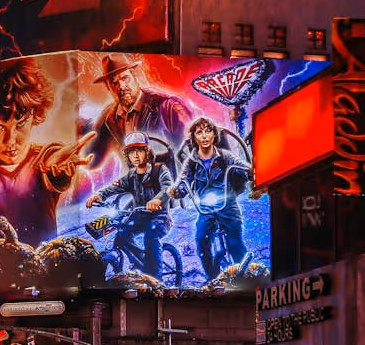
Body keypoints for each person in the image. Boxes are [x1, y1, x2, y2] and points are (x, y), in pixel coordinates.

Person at [0, 58, 96, 246]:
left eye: (20, 124)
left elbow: (54, 162)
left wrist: (58, 171)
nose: (10, 140)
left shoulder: (44, 158)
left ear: (34, 116)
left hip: (45, 268)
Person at [169, 117, 253, 282]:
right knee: (201, 240)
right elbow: (183, 180)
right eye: (199, 132)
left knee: (235, 241)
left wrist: (250, 171)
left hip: (228, 204)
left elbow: (241, 166)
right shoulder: (191, 161)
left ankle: (245, 279)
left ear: (214, 135)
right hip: (205, 209)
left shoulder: (224, 156)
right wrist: (176, 190)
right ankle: (212, 278)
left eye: (208, 131)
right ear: (194, 137)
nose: (204, 136)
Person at [85, 131, 175, 279]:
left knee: (151, 235)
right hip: (139, 217)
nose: (135, 155)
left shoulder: (159, 170)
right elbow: (114, 187)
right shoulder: (131, 176)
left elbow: (167, 188)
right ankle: (139, 261)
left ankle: (156, 279)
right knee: (122, 232)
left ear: (147, 152)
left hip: (160, 217)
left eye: (139, 150)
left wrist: (157, 200)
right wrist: (98, 195)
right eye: (131, 152)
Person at [85, 54, 190, 170]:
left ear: (135, 76)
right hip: (141, 184)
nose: (121, 86)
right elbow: (93, 158)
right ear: (108, 88)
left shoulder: (168, 107)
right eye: (114, 83)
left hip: (169, 182)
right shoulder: (111, 119)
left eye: (124, 78)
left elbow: (191, 152)